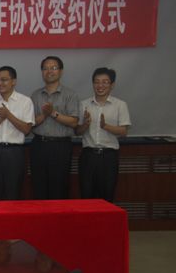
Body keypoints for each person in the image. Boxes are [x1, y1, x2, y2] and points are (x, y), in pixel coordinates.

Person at [75, 67, 131, 202]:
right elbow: (77, 131)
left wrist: (106, 126)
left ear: (112, 85)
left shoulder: (120, 105)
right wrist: (85, 124)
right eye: (97, 82)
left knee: (107, 196)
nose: (100, 85)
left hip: (108, 157)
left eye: (105, 82)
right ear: (93, 84)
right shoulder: (84, 104)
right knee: (86, 195)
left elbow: (124, 131)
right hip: (88, 156)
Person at [0, 66, 35, 200]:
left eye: (4, 80)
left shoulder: (25, 101)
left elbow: (27, 130)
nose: (0, 83)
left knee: (13, 191)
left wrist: (8, 115)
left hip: (15, 152)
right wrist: (0, 120)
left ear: (14, 81)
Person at [30, 56, 80, 199]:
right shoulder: (36, 95)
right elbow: (31, 123)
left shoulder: (70, 94)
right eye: (45, 68)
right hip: (39, 145)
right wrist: (44, 115)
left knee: (59, 187)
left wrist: (53, 113)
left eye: (53, 68)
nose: (49, 71)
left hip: (61, 146)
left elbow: (74, 122)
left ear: (61, 71)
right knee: (39, 187)